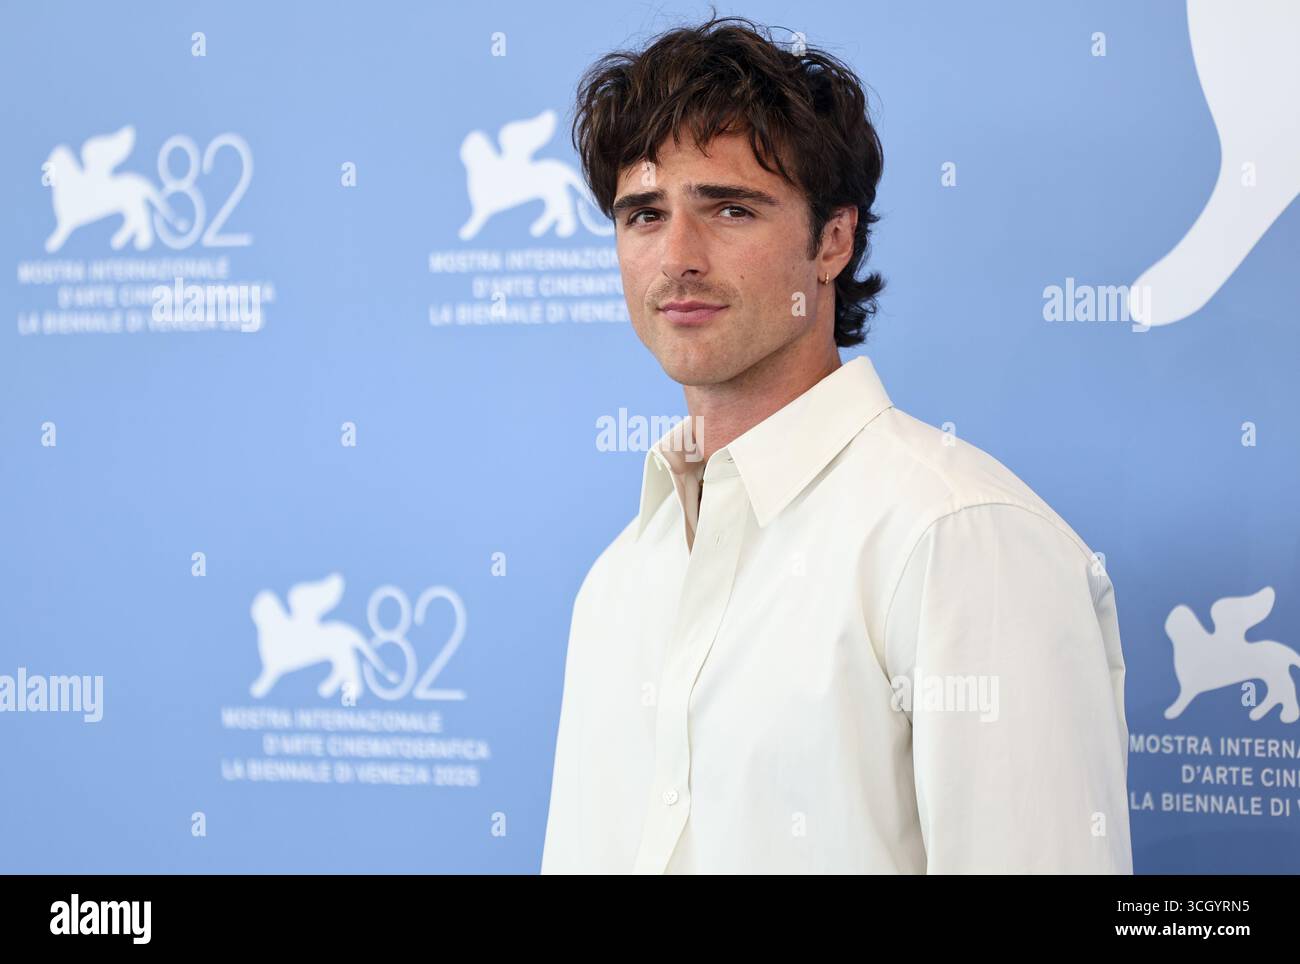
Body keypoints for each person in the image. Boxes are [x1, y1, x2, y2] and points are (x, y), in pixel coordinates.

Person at [541, 13, 1132, 874]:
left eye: (730, 208)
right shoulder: (619, 578)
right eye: (642, 215)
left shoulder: (958, 540)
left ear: (833, 240)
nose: (678, 257)